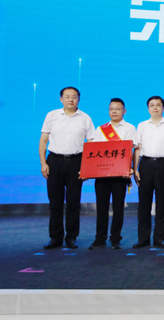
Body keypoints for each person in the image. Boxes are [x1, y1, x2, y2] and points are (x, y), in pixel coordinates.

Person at [39, 87, 95, 249]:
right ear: (61, 99)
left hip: (76, 162)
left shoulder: (85, 118)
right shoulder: (52, 116)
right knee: (55, 202)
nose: (71, 99)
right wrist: (43, 163)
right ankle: (55, 237)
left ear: (79, 99)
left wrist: (87, 167)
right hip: (54, 161)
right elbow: (43, 141)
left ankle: (71, 237)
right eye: (67, 96)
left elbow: (92, 145)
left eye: (74, 97)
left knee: (73, 202)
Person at [89, 98, 137, 250]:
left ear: (124, 111)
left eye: (117, 108)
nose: (114, 111)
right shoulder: (100, 129)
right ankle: (100, 238)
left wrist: (131, 169)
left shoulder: (130, 128)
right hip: (102, 174)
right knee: (101, 207)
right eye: (111, 109)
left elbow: (130, 151)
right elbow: (95, 151)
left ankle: (115, 238)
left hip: (120, 175)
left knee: (118, 208)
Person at [134, 96, 164, 249]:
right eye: (151, 105)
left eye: (158, 105)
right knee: (143, 204)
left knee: (161, 203)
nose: (155, 108)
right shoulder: (141, 125)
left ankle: (159, 238)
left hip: (163, 165)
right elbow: (138, 149)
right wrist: (135, 169)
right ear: (148, 108)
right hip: (145, 164)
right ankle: (143, 239)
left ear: (163, 108)